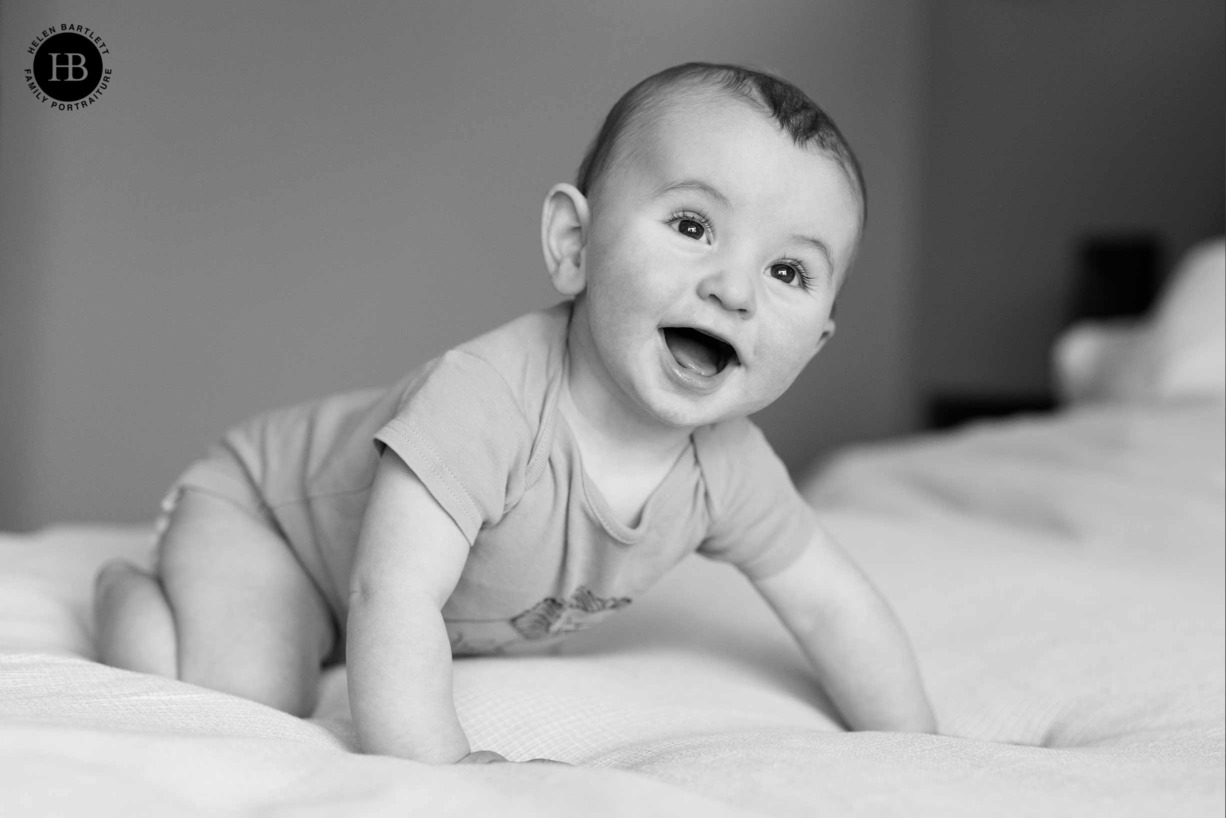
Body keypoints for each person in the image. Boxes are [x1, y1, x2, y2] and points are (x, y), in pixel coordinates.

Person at [93, 62, 937, 765]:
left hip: (350, 580)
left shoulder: (730, 467)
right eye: (692, 224)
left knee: (323, 644)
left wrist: (921, 748)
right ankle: (132, 595)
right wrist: (442, 769)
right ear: (574, 245)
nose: (734, 287)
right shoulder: (486, 401)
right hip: (265, 515)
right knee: (258, 688)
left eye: (789, 272)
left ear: (817, 341)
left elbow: (833, 605)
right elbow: (393, 592)